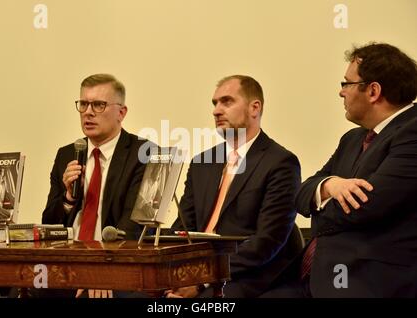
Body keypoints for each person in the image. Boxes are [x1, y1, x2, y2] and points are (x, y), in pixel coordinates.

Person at [261, 42, 417, 298]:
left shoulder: (412, 131)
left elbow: (366, 207)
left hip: (366, 280)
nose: (341, 93)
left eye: (347, 84)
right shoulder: (352, 139)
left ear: (373, 91)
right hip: (313, 276)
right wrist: (330, 185)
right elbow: (301, 194)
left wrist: (319, 204)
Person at [167, 75, 301, 298]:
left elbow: (266, 243)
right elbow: (183, 226)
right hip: (197, 272)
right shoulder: (203, 163)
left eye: (227, 102)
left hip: (247, 275)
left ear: (254, 108)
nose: (216, 111)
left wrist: (202, 280)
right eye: (215, 103)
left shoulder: (280, 163)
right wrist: (172, 273)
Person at [41, 73, 150, 298]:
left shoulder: (142, 154)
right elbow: (49, 224)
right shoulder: (67, 154)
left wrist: (100, 272)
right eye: (83, 104)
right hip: (67, 264)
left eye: (99, 105)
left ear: (122, 112)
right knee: (23, 286)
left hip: (115, 263)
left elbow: (132, 227)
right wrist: (68, 200)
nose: (88, 112)